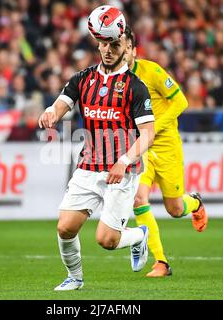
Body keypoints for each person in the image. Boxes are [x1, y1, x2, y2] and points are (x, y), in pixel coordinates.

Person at [38, 27, 156, 291]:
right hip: (89, 166)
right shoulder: (82, 79)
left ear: (127, 48)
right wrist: (50, 114)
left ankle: (138, 236)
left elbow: (148, 134)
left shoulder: (136, 88)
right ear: (98, 45)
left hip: (122, 171)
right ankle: (75, 278)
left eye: (116, 45)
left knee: (107, 241)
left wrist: (124, 161)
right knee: (65, 228)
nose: (109, 49)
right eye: (105, 44)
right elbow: (62, 103)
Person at [123, 26, 208, 278]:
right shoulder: (117, 81)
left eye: (126, 49)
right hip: (142, 148)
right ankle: (161, 262)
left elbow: (181, 101)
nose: (122, 53)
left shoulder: (152, 71)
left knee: (174, 209)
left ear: (133, 51)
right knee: (139, 199)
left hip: (167, 146)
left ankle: (195, 202)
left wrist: (155, 128)